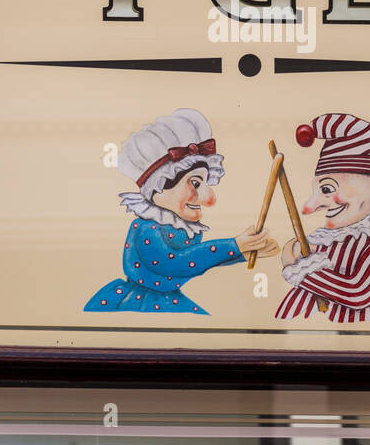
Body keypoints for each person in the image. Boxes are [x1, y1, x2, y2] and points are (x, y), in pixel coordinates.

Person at [85, 108, 277, 314]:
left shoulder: (179, 228)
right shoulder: (146, 228)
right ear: (160, 185)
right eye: (195, 183)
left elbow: (197, 263)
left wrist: (242, 254)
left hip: (170, 299)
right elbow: (177, 263)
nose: (208, 199)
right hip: (140, 304)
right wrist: (234, 246)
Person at [275, 113, 370, 323]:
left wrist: (298, 269)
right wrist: (296, 251)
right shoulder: (336, 238)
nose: (310, 206)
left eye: (327, 189)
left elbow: (357, 293)